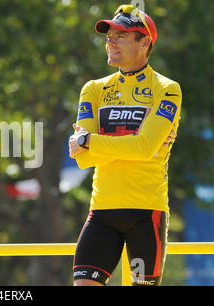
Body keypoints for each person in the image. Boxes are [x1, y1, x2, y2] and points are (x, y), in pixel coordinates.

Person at [68, 4, 182, 286]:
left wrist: (89, 140)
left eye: (121, 35)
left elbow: (142, 148)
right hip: (102, 211)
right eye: (109, 35)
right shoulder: (93, 89)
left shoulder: (167, 89)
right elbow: (83, 159)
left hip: (147, 212)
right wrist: (128, 145)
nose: (110, 41)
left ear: (144, 42)